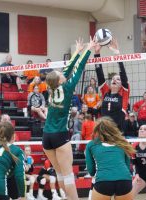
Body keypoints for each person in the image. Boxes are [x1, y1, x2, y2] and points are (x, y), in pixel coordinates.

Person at [42, 37, 96, 200]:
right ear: (59, 80)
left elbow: (68, 68)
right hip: (60, 135)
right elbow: (78, 69)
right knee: (68, 176)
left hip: (46, 137)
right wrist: (89, 49)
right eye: (60, 74)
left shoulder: (52, 88)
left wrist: (77, 51)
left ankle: (66, 198)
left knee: (59, 174)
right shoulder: (67, 88)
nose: (62, 73)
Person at [85, 117, 134, 200]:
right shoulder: (122, 142)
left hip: (103, 181)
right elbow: (127, 165)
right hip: (124, 180)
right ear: (113, 129)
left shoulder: (91, 144)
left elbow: (91, 169)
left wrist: (96, 175)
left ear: (97, 129)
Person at [94, 39, 130, 131]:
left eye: (118, 79)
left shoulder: (124, 93)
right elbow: (99, 73)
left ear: (122, 84)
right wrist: (97, 53)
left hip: (116, 132)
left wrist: (117, 54)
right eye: (113, 78)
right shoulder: (106, 90)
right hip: (103, 130)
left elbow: (124, 76)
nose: (114, 79)